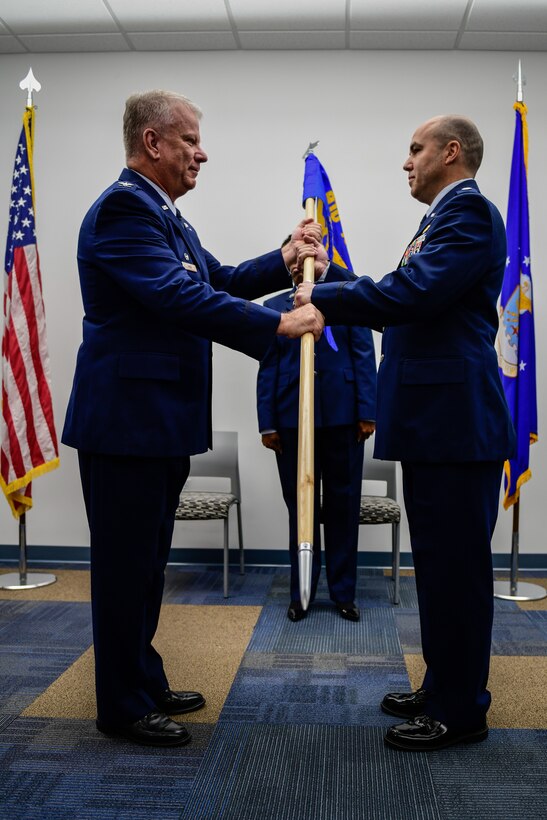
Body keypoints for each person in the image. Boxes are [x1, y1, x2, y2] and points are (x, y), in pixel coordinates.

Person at [62, 89, 326, 748]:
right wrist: (279, 324)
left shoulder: (167, 218)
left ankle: (142, 678)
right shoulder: (124, 209)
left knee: (147, 565)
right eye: (189, 141)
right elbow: (180, 297)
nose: (200, 153)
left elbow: (219, 280)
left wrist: (284, 258)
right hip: (125, 425)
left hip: (158, 423)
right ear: (151, 142)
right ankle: (120, 706)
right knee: (124, 568)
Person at [295, 115, 515, 751]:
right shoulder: (440, 219)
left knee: (458, 573)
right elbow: (408, 296)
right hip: (433, 425)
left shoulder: (470, 214)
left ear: (451, 152)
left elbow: (412, 294)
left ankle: (461, 710)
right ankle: (443, 684)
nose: (406, 162)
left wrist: (326, 297)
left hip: (455, 425)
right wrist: (332, 281)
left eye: (415, 149)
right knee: (438, 570)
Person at [257, 248, 377, 623]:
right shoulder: (276, 305)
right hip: (292, 418)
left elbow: (362, 354)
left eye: (308, 260)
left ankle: (343, 593)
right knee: (300, 508)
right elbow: (267, 366)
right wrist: (268, 422)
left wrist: (367, 411)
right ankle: (301, 594)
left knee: (343, 505)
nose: (300, 266)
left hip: (342, 417)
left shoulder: (343, 296)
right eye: (295, 260)